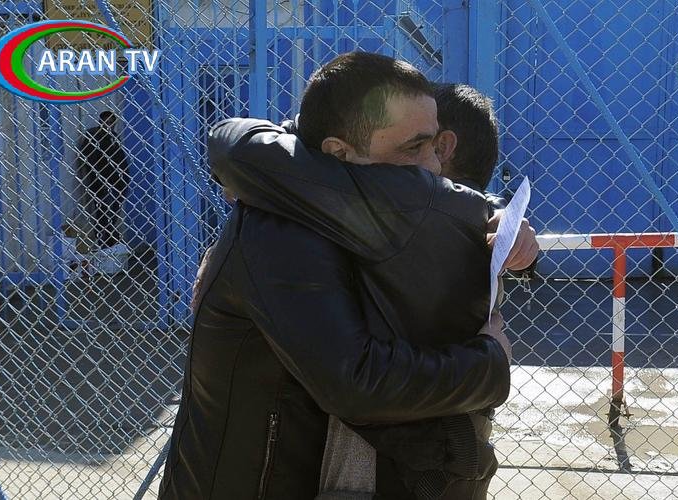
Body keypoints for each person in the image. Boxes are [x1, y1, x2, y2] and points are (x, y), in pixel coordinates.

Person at [159, 53, 528, 500]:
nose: (434, 168)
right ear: (337, 155)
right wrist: (489, 363)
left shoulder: (339, 205)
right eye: (413, 148)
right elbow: (357, 382)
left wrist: (491, 215)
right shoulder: (280, 231)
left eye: (434, 146)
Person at [77, 110, 129, 250]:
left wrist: (124, 176)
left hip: (116, 180)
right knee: (102, 209)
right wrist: (96, 175)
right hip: (99, 179)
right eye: (106, 121)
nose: (108, 124)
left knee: (114, 207)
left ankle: (109, 234)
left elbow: (120, 157)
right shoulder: (93, 135)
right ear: (100, 121)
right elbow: (88, 158)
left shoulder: (114, 137)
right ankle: (104, 237)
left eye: (111, 122)